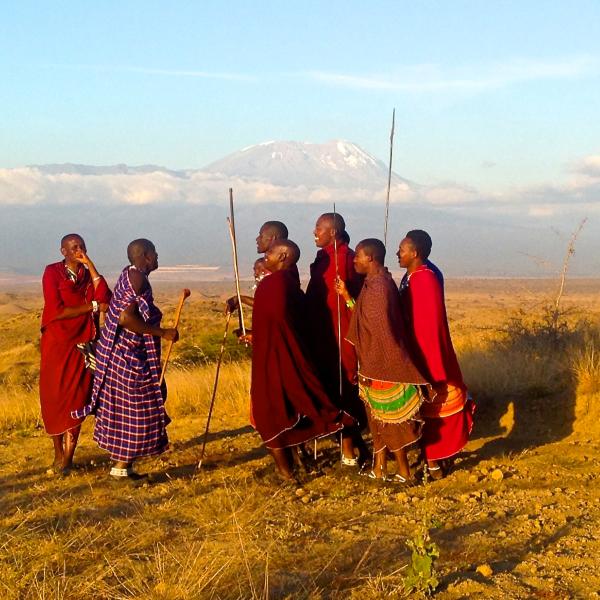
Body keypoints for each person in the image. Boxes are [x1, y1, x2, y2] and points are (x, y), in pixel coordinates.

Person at [241, 239, 352, 481]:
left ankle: (286, 472)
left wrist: (265, 340)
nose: (265, 256)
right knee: (278, 410)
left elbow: (281, 322)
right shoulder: (282, 283)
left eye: (270, 253)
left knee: (269, 414)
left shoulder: (275, 285)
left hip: (277, 357)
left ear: (283, 257)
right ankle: (291, 467)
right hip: (275, 355)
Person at [73, 239, 178, 481]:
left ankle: (122, 467)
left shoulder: (130, 274)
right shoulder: (138, 279)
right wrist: (162, 333)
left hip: (123, 353)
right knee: (138, 408)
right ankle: (121, 467)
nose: (158, 256)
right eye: (154, 253)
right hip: (127, 356)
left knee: (128, 408)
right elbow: (124, 318)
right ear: (146, 256)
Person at [338, 238, 427, 483]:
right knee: (377, 418)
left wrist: (374, 362)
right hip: (373, 365)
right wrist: (347, 296)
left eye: (357, 256)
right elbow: (364, 319)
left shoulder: (379, 288)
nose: (354, 260)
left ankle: (404, 471)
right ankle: (380, 467)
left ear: (371, 258)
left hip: (384, 365)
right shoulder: (373, 283)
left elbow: (380, 331)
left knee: (390, 419)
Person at [397, 230, 474, 479]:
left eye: (403, 249)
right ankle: (430, 459)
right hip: (416, 354)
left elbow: (429, 327)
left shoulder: (425, 279)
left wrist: (429, 362)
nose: (398, 254)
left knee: (436, 408)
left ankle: (435, 460)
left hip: (429, 356)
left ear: (415, 253)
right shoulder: (412, 276)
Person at [40, 234, 111, 474]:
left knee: (77, 398)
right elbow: (55, 310)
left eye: (82, 246)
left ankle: (68, 460)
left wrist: (90, 265)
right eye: (74, 248)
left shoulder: (86, 275)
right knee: (54, 399)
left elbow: (105, 298)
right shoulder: (52, 273)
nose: (79, 250)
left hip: (83, 345)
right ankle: (58, 454)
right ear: (63, 252)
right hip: (57, 345)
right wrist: (91, 307)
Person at [305, 213, 366, 466]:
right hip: (323, 339)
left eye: (318, 227)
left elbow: (360, 304)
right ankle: (348, 442)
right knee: (328, 389)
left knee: (344, 389)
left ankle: (351, 447)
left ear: (333, 232)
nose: (314, 232)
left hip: (342, 341)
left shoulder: (347, 261)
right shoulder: (324, 259)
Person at [226, 221, 289, 314]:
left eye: (261, 236)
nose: (257, 239)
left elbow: (270, 305)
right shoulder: (268, 266)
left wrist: (240, 299)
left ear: (273, 239)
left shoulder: (281, 272)